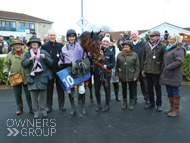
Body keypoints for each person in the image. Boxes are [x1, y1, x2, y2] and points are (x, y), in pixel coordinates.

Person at [21, 37, 53, 119]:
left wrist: (45, 58)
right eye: (33, 43)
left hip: (42, 78)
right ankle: (36, 112)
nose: (35, 44)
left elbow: (51, 62)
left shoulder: (43, 52)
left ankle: (44, 111)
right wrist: (30, 59)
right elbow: (24, 65)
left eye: (36, 43)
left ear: (38, 44)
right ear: (30, 45)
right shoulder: (27, 54)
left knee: (43, 97)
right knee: (33, 98)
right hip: (32, 79)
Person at [58, 29, 88, 116]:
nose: (72, 38)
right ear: (68, 37)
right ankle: (72, 107)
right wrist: (60, 64)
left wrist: (83, 65)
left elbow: (84, 57)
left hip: (79, 71)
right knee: (70, 91)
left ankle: (83, 107)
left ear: (75, 37)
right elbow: (61, 60)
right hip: (69, 71)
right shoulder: (63, 48)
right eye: (70, 36)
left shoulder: (79, 47)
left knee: (81, 90)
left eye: (73, 36)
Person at [3, 38, 33, 115]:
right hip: (14, 77)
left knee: (29, 94)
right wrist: (5, 71)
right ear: (13, 46)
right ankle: (19, 108)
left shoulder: (26, 52)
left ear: (21, 45)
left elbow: (31, 63)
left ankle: (31, 108)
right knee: (17, 94)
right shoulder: (10, 54)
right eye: (16, 45)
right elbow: (6, 64)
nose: (18, 46)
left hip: (26, 76)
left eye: (19, 44)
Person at [160, 33, 186, 117]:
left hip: (174, 74)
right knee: (169, 91)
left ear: (176, 39)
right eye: (169, 38)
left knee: (175, 91)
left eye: (171, 39)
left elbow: (179, 62)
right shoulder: (170, 48)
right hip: (168, 74)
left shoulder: (179, 49)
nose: (169, 40)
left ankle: (176, 110)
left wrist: (167, 67)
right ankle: (172, 108)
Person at [41, 29, 65, 113]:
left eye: (54, 35)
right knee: (49, 90)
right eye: (50, 35)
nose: (52, 36)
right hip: (49, 71)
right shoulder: (44, 47)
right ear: (48, 36)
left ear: (56, 36)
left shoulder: (61, 45)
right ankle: (49, 106)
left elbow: (64, 57)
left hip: (60, 71)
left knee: (60, 89)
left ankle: (61, 105)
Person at [141, 31, 166, 112]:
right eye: (150, 36)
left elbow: (164, 60)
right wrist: (143, 69)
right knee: (149, 87)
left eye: (153, 36)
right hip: (147, 70)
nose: (150, 38)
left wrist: (162, 71)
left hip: (157, 71)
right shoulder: (146, 45)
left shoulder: (162, 47)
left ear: (157, 37)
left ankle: (159, 104)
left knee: (158, 88)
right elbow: (143, 57)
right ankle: (151, 102)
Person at [115, 41, 140, 110]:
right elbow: (117, 66)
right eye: (124, 45)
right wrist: (116, 74)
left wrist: (135, 75)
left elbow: (137, 67)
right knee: (124, 89)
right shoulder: (120, 55)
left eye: (127, 45)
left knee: (132, 89)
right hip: (123, 75)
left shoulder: (134, 55)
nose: (125, 46)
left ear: (130, 47)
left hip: (131, 75)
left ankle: (131, 102)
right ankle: (124, 102)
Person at [94, 34, 115, 112]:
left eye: (107, 42)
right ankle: (99, 104)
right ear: (102, 42)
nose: (105, 43)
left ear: (109, 43)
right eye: (104, 41)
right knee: (96, 89)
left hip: (106, 74)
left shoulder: (111, 53)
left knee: (107, 89)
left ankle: (107, 105)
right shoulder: (97, 51)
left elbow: (113, 64)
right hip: (97, 73)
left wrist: (107, 66)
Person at [130, 30, 149, 104]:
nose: (134, 35)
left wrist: (144, 68)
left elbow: (146, 56)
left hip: (141, 67)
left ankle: (147, 98)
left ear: (138, 35)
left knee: (144, 84)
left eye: (135, 34)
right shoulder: (129, 44)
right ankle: (134, 98)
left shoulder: (143, 44)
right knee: (133, 84)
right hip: (132, 68)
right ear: (131, 35)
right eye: (132, 34)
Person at [109, 35, 121, 101]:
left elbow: (119, 58)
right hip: (108, 69)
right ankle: (109, 96)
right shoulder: (105, 49)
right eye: (109, 41)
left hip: (115, 68)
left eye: (111, 41)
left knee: (116, 83)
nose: (110, 42)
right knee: (108, 84)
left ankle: (117, 96)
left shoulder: (116, 49)